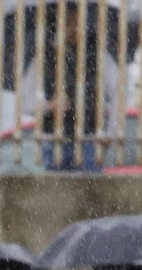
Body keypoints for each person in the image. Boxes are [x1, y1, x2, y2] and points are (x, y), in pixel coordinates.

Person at [26, 1, 116, 172]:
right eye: (69, 22)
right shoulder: (44, 58)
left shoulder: (98, 56)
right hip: (53, 140)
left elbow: (118, 93)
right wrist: (49, 105)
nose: (74, 28)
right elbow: (26, 102)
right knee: (57, 195)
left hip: (88, 138)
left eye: (77, 22)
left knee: (88, 194)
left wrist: (110, 132)